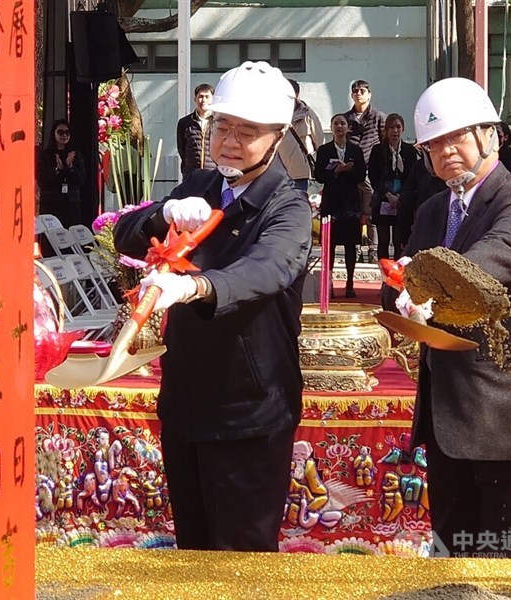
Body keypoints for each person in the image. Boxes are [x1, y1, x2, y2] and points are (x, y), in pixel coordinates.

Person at [113, 61, 312, 552]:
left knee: (240, 563)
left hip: (250, 409)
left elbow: (268, 269)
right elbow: (123, 235)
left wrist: (196, 288)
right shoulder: (199, 186)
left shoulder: (287, 206)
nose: (228, 140)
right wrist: (161, 212)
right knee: (192, 555)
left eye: (246, 131)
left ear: (279, 136)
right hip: (185, 401)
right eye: (222, 125)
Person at [387, 77, 511, 559]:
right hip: (449, 423)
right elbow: (403, 277)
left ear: (490, 136)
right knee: (455, 574)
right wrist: (405, 295)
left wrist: (426, 288)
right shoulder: (434, 209)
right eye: (433, 144)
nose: (445, 151)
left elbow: (490, 261)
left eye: (457, 137)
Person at [314, 114, 366, 297]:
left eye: (342, 123)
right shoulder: (324, 150)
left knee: (350, 245)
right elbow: (318, 175)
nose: (339, 127)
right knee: (330, 244)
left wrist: (348, 170)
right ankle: (328, 284)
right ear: (331, 127)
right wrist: (335, 172)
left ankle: (350, 283)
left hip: (350, 202)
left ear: (348, 128)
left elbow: (361, 176)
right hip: (331, 202)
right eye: (335, 123)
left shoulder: (356, 150)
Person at [343, 80, 387, 263]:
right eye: (355, 91)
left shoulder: (378, 117)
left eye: (362, 91)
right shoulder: (346, 118)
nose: (358, 94)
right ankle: (356, 249)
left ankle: (372, 250)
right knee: (354, 212)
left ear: (369, 94)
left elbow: (383, 144)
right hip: (352, 172)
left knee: (370, 213)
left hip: (371, 171)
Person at [368, 113, 419, 259]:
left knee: (399, 241)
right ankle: (384, 277)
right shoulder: (377, 150)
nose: (394, 131)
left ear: (402, 129)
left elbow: (411, 177)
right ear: (386, 130)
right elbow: (373, 176)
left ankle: (396, 278)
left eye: (398, 127)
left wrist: (401, 197)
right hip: (383, 200)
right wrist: (387, 195)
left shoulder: (409, 151)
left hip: (401, 201)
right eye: (391, 127)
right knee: (383, 242)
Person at [37, 118, 86, 230]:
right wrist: (57, 170)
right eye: (60, 132)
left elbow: (81, 179)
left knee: (71, 234)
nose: (64, 135)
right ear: (53, 133)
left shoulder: (75, 154)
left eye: (67, 132)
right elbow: (42, 180)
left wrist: (70, 168)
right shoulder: (45, 154)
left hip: (71, 203)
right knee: (51, 237)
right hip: (51, 203)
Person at [277, 79, 324, 192]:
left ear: (296, 95)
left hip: (300, 171)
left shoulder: (307, 113)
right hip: (278, 172)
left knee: (300, 204)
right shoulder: (274, 113)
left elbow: (320, 141)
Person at [176, 83, 217, 179]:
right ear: (195, 99)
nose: (203, 100)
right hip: (191, 175)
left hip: (213, 175)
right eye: (200, 97)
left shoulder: (219, 122)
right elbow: (182, 149)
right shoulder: (185, 123)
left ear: (213, 99)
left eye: (207, 97)